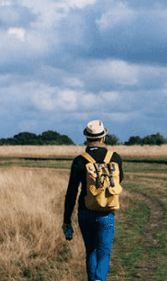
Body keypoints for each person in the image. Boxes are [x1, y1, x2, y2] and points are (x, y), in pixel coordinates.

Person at [63, 120, 124, 281]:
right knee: (104, 253)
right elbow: (119, 181)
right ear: (103, 137)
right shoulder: (115, 158)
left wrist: (66, 220)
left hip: (85, 212)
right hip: (107, 213)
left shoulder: (79, 160)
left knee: (90, 250)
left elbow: (71, 193)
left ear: (87, 138)